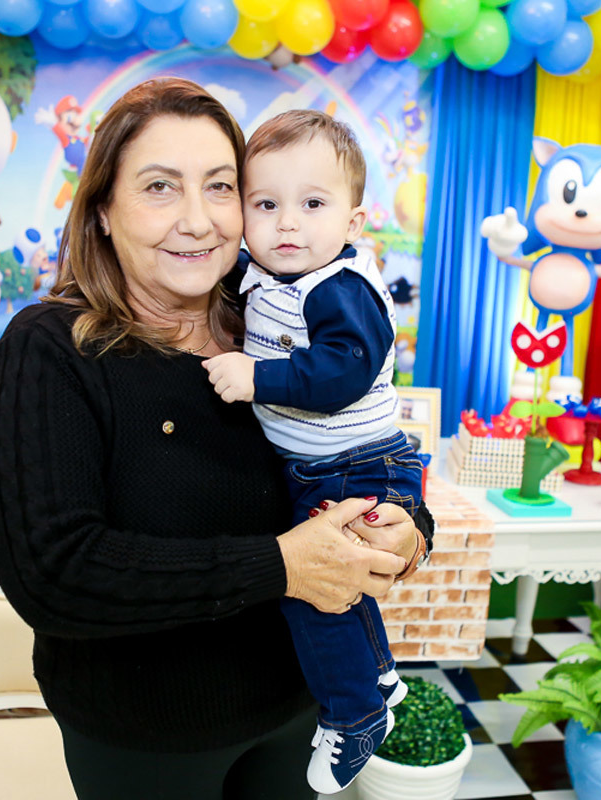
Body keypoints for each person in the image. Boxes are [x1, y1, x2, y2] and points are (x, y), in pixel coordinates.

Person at [0, 78, 432, 800]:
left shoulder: (274, 320)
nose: (197, 220)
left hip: (298, 715)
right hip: (146, 737)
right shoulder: (54, 349)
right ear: (102, 211)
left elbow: (356, 449)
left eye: (220, 187)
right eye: (160, 187)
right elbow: (54, 575)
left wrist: (408, 531)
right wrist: (280, 566)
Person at [202, 110, 423, 794]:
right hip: (324, 465)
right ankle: (377, 675)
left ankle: (354, 715)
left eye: (313, 205)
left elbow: (341, 373)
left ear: (353, 223)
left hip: (357, 463)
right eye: (266, 205)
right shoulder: (265, 274)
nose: (287, 225)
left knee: (313, 591)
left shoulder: (340, 288)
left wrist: (257, 377)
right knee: (341, 581)